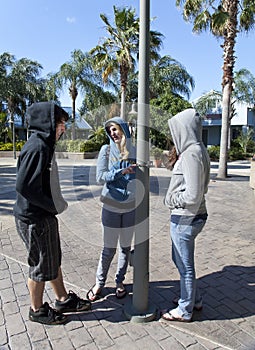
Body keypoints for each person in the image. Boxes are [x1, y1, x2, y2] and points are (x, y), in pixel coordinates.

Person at [13, 101, 91, 325]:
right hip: (34, 218)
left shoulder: (45, 145)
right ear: (48, 123)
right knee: (39, 265)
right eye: (60, 123)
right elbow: (24, 186)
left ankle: (62, 298)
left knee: (52, 259)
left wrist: (53, 205)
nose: (63, 128)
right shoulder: (37, 147)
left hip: (43, 216)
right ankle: (36, 310)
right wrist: (51, 205)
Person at [161, 108, 210, 322]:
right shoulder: (197, 149)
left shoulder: (191, 153)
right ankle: (193, 298)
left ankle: (185, 309)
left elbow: (192, 195)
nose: (174, 135)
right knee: (180, 260)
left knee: (185, 265)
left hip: (185, 217)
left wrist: (170, 199)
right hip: (192, 216)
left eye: (177, 129)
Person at [87, 117, 136, 301]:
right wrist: (120, 172)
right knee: (109, 249)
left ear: (124, 129)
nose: (113, 133)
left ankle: (119, 282)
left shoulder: (134, 150)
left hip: (130, 206)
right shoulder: (106, 150)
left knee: (125, 248)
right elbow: (100, 177)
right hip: (111, 205)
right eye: (110, 130)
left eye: (115, 129)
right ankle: (99, 283)